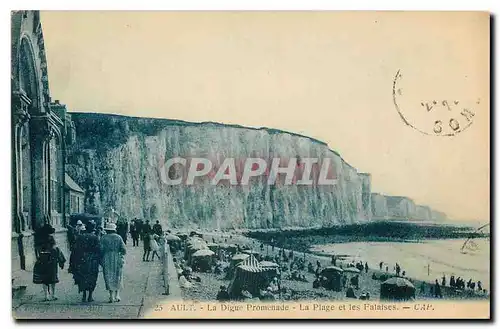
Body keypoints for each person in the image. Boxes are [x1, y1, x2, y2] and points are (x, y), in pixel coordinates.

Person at [71, 222, 100, 302]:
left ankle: (84, 294)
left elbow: (75, 249)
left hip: (82, 259)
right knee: (92, 277)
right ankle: (90, 296)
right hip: (92, 260)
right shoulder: (95, 237)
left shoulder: (80, 237)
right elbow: (98, 249)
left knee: (83, 277)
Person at [33, 235, 66, 301]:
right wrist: (61, 264)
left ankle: (46, 295)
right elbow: (61, 257)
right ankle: (53, 294)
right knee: (52, 280)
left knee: (44, 280)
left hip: (43, 266)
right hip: (52, 266)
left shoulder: (41, 248)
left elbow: (38, 256)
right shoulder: (56, 248)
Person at [100, 223, 127, 303]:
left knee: (108, 276)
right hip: (117, 257)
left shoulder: (103, 238)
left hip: (106, 258)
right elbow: (124, 250)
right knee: (118, 275)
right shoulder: (118, 237)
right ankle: (117, 295)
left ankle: (111, 296)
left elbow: (101, 249)